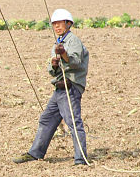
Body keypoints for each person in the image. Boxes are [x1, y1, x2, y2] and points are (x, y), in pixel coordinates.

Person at [14, 8, 90, 166]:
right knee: (47, 119)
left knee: (73, 122)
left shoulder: (73, 41)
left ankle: (80, 158)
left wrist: (62, 54)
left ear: (68, 24)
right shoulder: (58, 43)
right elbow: (52, 70)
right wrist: (54, 64)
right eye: (54, 24)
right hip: (60, 89)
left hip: (70, 87)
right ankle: (35, 153)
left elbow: (75, 61)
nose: (56, 27)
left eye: (60, 23)